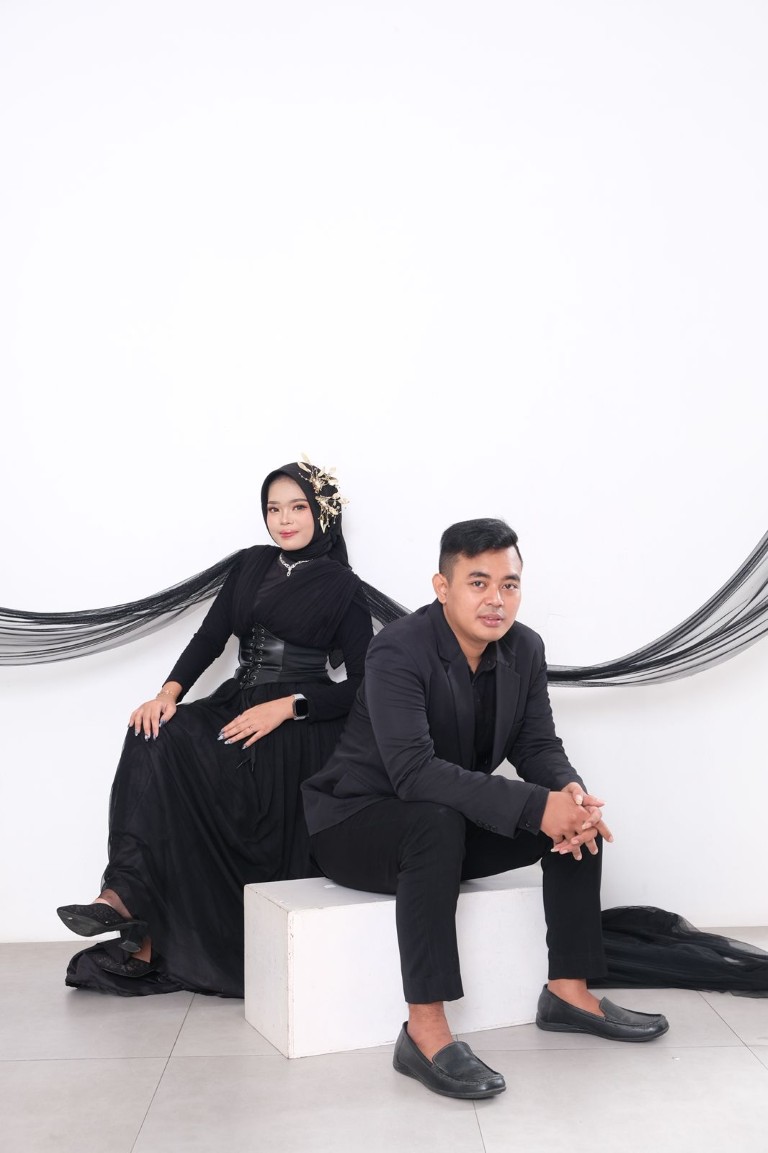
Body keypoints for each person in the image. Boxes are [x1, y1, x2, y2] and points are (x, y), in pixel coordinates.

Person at [302, 517, 669, 1099]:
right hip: (355, 824)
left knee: (576, 818)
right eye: (478, 583)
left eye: (509, 584)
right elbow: (413, 772)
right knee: (438, 820)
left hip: (445, 822)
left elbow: (536, 745)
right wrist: (535, 804)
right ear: (442, 586)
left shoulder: (525, 648)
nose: (497, 599)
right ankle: (424, 1031)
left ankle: (568, 992)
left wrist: (569, 792)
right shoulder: (396, 648)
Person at [58, 459, 377, 998]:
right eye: (273, 509)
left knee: (231, 785)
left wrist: (290, 707)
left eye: (298, 507)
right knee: (152, 734)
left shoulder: (343, 586)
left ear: (323, 513)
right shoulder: (251, 564)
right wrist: (167, 694)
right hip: (236, 702)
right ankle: (123, 897)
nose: (284, 520)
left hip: (298, 722)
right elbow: (210, 638)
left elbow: (365, 685)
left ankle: (159, 932)